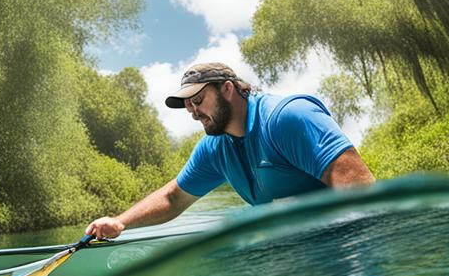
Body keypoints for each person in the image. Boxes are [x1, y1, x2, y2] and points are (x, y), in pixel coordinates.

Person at [85, 62, 374, 240]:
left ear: (227, 89)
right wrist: (120, 221)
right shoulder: (214, 148)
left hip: (347, 243)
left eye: (198, 100)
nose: (194, 112)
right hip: (297, 250)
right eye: (188, 106)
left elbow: (359, 188)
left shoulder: (288, 118)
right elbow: (174, 197)